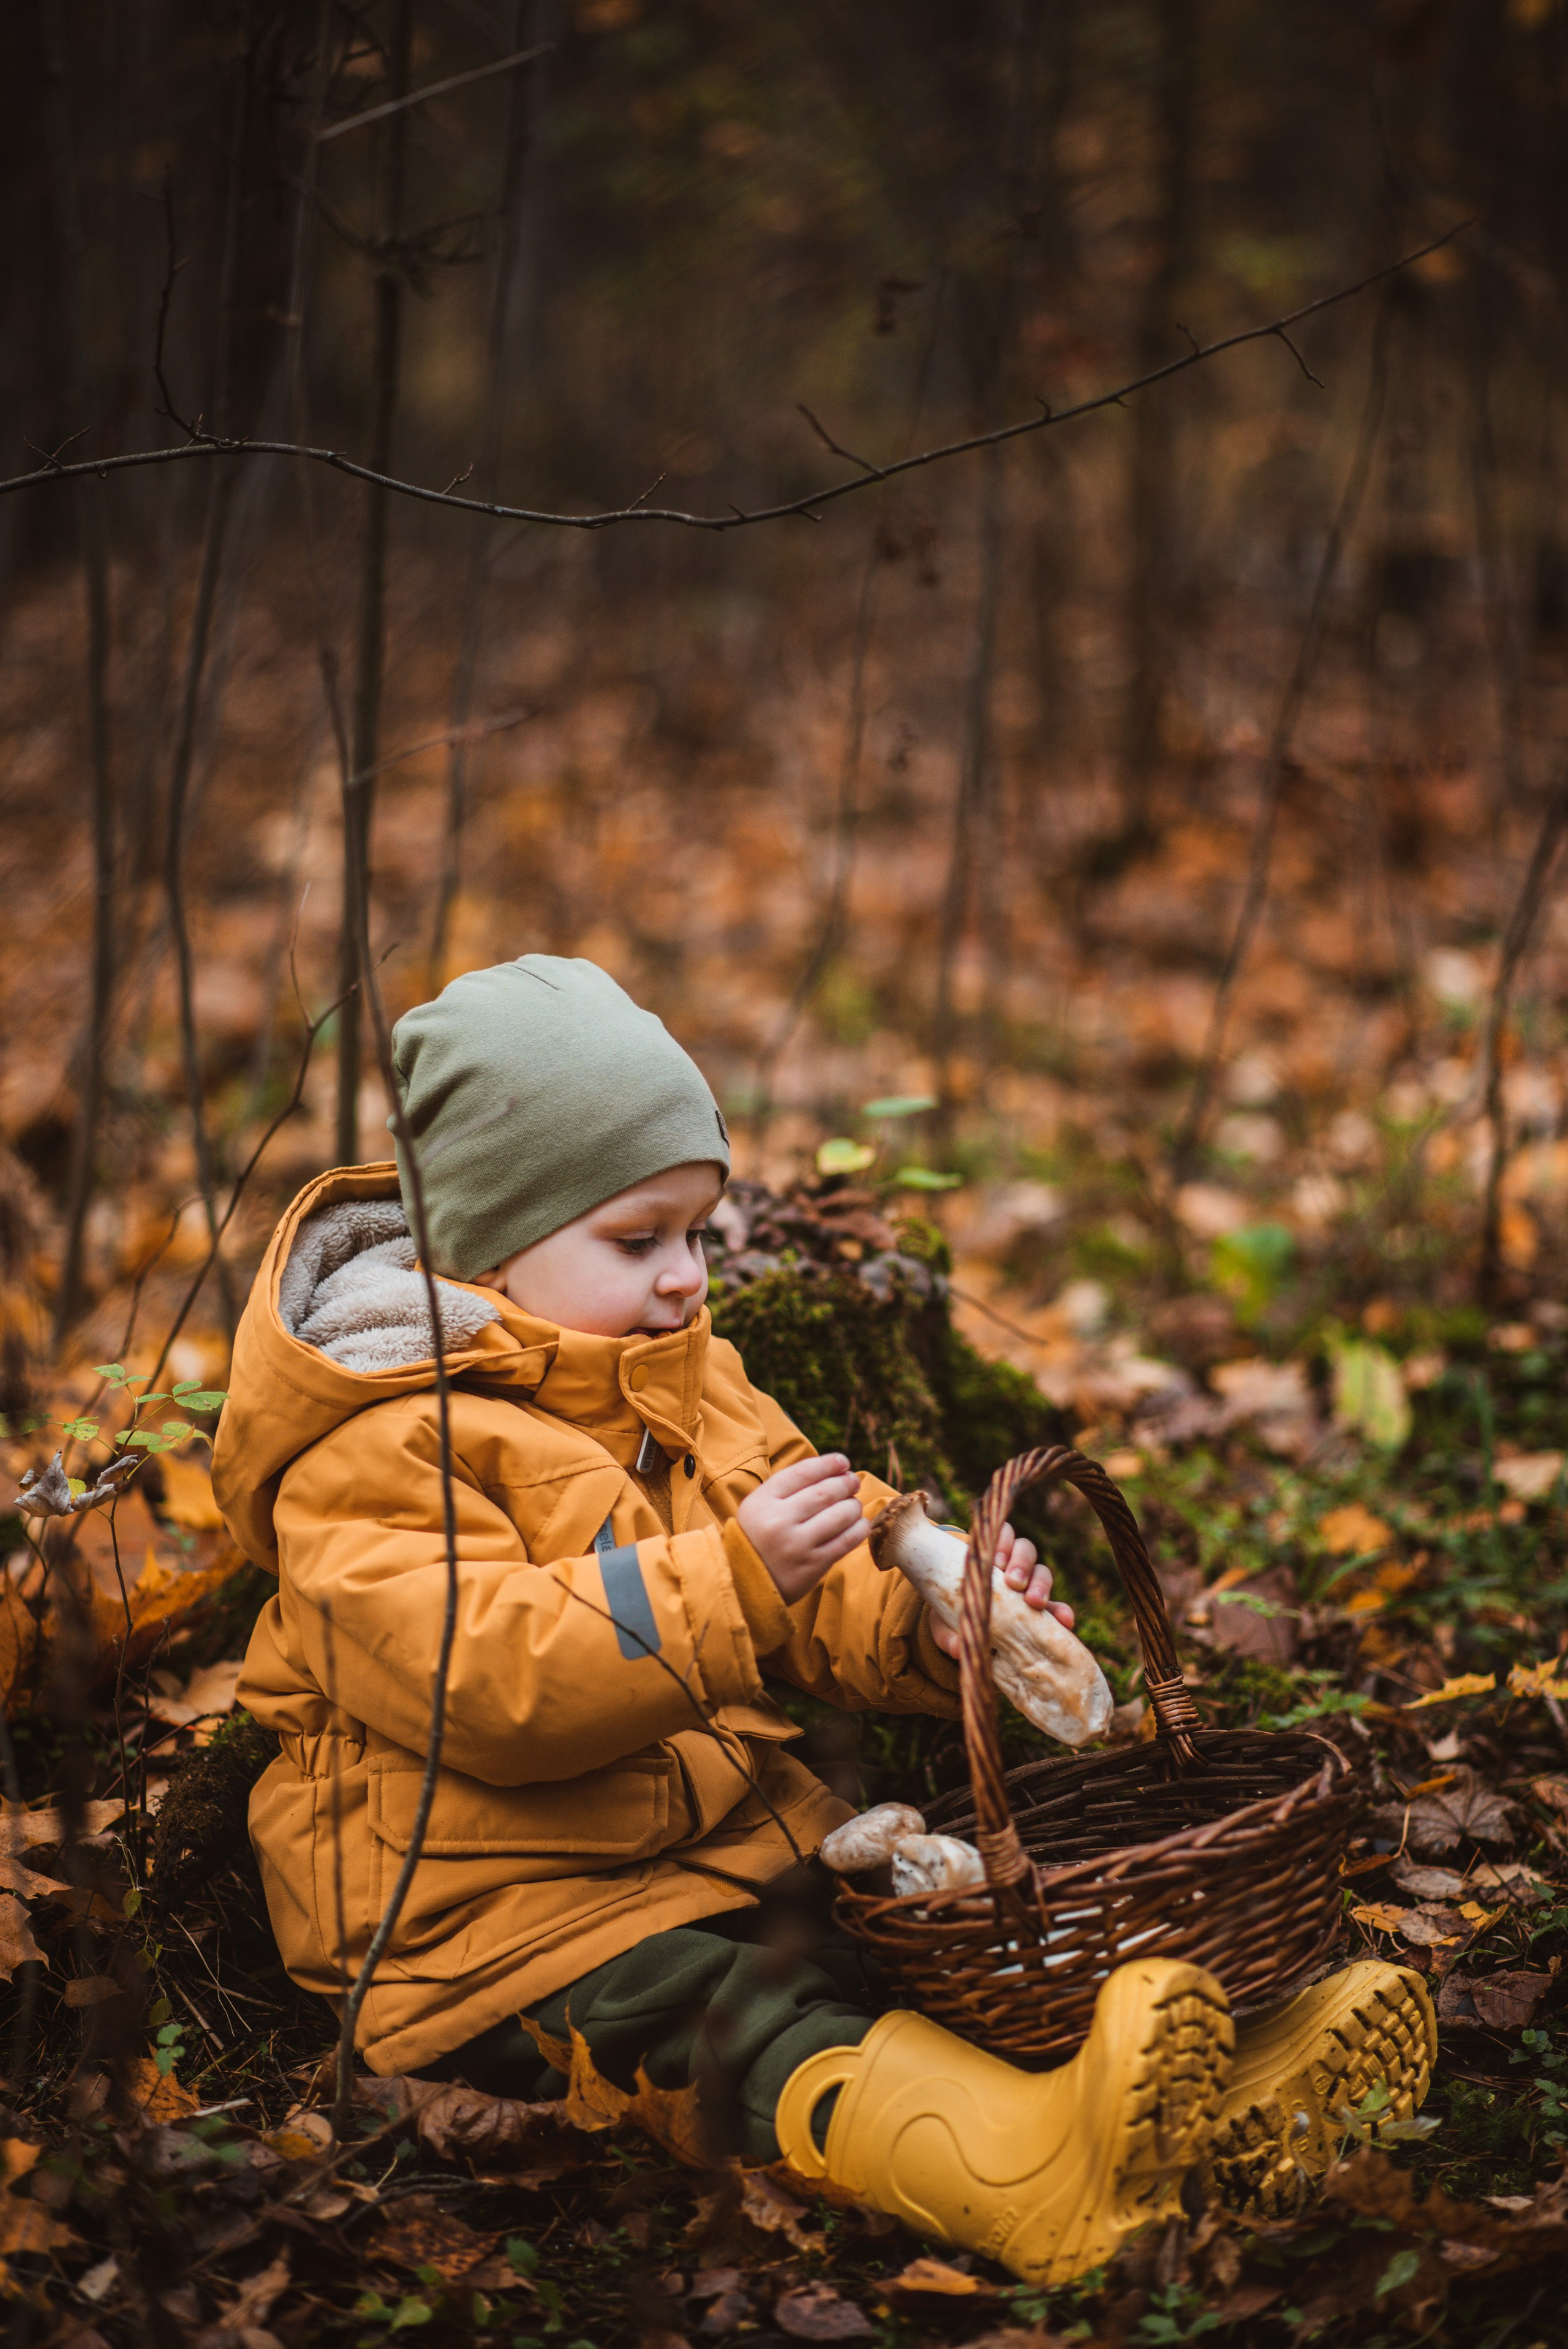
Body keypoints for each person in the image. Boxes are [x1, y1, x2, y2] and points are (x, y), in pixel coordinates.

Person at [214, 954, 1433, 2283]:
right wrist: (734, 1579)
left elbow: (821, 1570)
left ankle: (1205, 2100)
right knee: (728, 2017)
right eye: (636, 1240)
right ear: (483, 1246)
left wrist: (926, 1626)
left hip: (715, 1849)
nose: (685, 1278)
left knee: (906, 1949)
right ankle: (1014, 2172)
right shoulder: (381, 1448)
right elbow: (481, 1682)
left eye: (696, 1232)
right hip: (488, 1929)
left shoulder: (689, 1379)